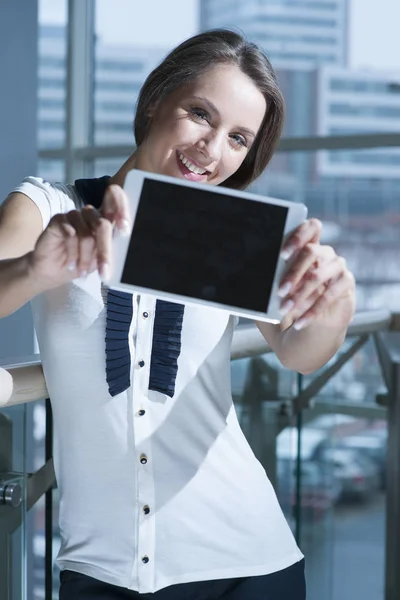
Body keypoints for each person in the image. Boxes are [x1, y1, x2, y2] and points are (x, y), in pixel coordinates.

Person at [0, 29, 355, 599]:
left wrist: (334, 309)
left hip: (249, 564)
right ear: (154, 100)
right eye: (199, 114)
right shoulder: (48, 207)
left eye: (238, 138)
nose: (212, 150)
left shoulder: (236, 235)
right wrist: (37, 271)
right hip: (103, 570)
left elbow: (300, 353)